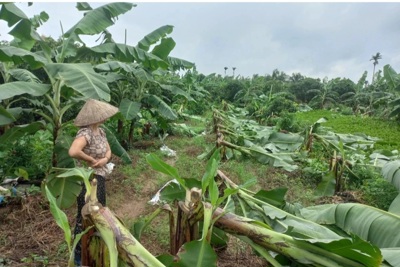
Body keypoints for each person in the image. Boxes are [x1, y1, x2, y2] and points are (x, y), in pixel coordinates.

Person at [68, 98, 119, 266]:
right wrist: (90, 159)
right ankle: (79, 258)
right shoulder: (85, 133)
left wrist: (104, 159)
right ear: (94, 118)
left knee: (98, 212)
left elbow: (108, 149)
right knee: (85, 215)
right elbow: (74, 151)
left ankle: (94, 252)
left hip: (100, 176)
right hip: (88, 179)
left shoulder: (101, 131)